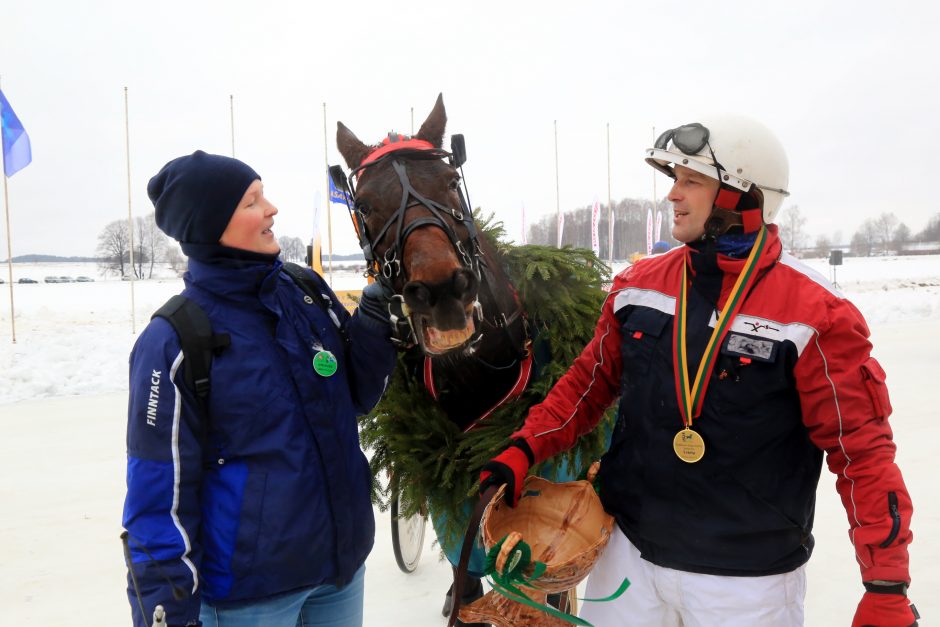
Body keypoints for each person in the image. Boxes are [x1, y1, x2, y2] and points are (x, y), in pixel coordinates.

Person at [481, 117, 919, 626]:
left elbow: (861, 453)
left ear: (740, 195)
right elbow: (586, 386)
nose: (672, 194)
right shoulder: (639, 287)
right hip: (628, 556)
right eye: (673, 179)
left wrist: (885, 582)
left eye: (690, 180)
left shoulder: (815, 313)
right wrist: (524, 447)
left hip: (744, 582)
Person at [122, 151, 396, 627]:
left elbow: (356, 395)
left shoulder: (304, 290)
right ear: (211, 224)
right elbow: (157, 496)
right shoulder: (175, 339)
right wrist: (165, 610)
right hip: (251, 597)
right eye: (252, 201)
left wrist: (375, 316)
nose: (271, 209)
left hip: (340, 571)